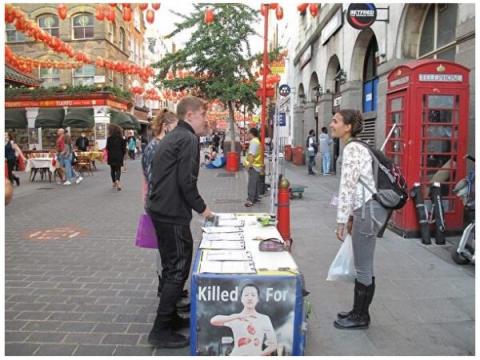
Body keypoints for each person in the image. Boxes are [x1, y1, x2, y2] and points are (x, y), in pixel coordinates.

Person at [146, 96, 214, 348]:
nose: (205, 120)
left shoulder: (175, 136)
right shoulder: (187, 139)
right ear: (190, 115)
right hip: (171, 212)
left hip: (161, 209)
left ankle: (172, 317)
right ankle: (160, 329)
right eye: (203, 115)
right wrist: (204, 210)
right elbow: (187, 181)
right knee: (178, 267)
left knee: (171, 265)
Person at [330, 109, 388, 330]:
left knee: (363, 266)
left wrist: (341, 221)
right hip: (365, 210)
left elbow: (347, 188)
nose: (331, 124)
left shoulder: (352, 149)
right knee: (363, 263)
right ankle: (358, 311)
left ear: (348, 127)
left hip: (367, 211)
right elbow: (358, 188)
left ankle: (361, 317)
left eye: (336, 121)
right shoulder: (355, 147)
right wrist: (351, 216)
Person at [141, 109, 185, 305]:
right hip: (160, 203)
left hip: (157, 201)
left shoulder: (160, 145)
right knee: (165, 248)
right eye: (175, 128)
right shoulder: (156, 147)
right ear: (166, 126)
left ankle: (170, 288)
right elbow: (153, 178)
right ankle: (165, 288)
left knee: (166, 248)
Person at [210, 284, 278, 356]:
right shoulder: (236, 318)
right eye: (246, 295)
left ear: (258, 299)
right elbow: (214, 321)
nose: (249, 298)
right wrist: (237, 316)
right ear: (241, 299)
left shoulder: (264, 319)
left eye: (253, 295)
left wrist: (258, 356)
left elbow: (273, 345)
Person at [243, 128, 262, 207]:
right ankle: (256, 197)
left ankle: (250, 200)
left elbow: (251, 155)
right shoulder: (257, 141)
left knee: (252, 183)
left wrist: (249, 165)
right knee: (256, 182)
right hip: (257, 165)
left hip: (253, 165)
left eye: (248, 133)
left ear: (251, 134)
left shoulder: (254, 142)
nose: (247, 135)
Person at [106, 124, 127, 191]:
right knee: (118, 169)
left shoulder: (109, 138)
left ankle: (114, 182)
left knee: (112, 169)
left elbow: (107, 148)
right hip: (119, 155)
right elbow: (124, 149)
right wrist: (123, 155)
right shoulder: (121, 139)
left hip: (111, 155)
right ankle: (117, 180)